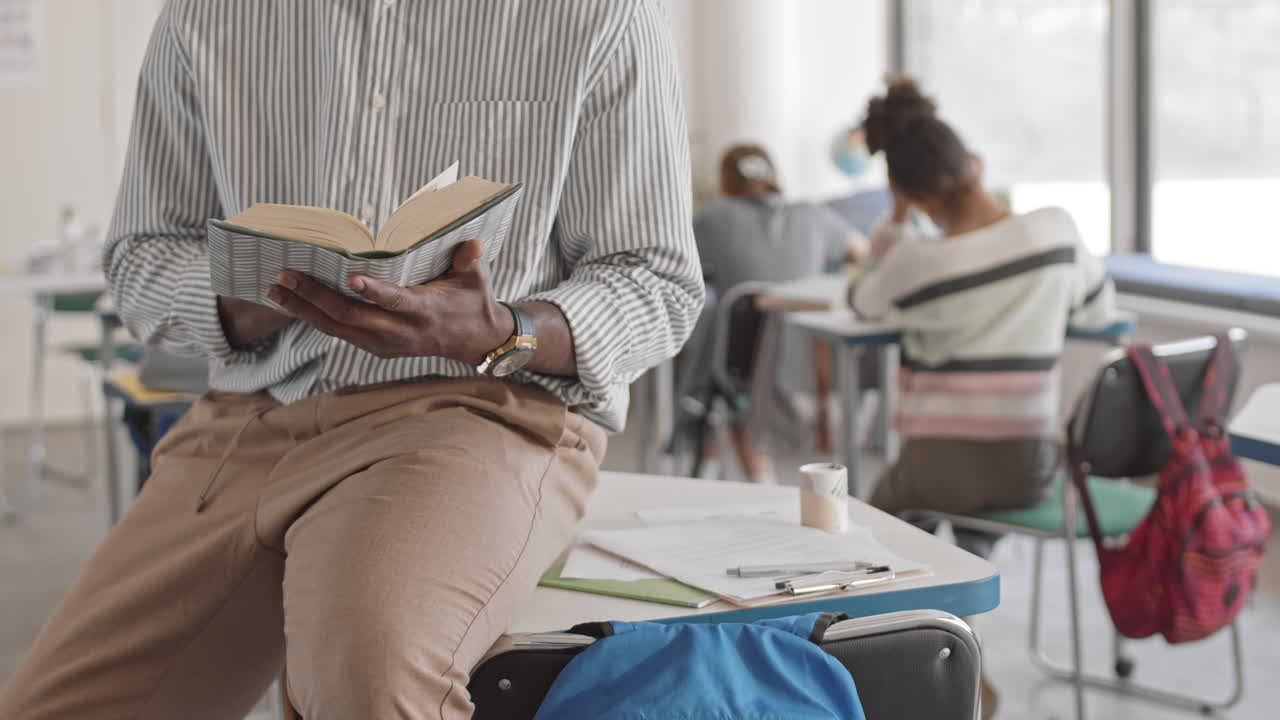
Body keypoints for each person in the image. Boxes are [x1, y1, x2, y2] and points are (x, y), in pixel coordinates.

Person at [0, 2, 702, 719]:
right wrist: (271, 288)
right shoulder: (205, 16)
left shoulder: (598, 14)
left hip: (476, 411)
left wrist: (499, 329)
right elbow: (141, 259)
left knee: (369, 684)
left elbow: (656, 282)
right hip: (247, 418)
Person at [850, 77, 1115, 718]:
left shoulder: (914, 260)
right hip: (1030, 467)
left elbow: (861, 300)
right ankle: (963, 652)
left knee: (868, 531)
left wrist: (892, 222)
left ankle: (943, 668)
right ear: (975, 165)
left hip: (938, 468)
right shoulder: (1055, 231)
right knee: (957, 526)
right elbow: (1100, 309)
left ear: (911, 194)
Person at [687, 144, 863, 481]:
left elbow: (673, 264)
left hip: (742, 369)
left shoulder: (713, 218)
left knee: (713, 365)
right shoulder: (814, 214)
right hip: (812, 364)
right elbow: (862, 253)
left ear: (725, 180)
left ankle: (739, 476)